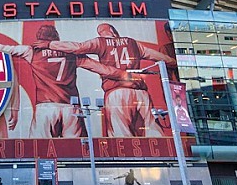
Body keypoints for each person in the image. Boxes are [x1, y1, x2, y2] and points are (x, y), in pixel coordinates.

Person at [0, 23, 128, 138]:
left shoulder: (31, 51)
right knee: (78, 153)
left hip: (44, 108)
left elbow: (7, 49)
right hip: (71, 108)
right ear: (57, 39)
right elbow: (102, 69)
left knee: (38, 153)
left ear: (39, 38)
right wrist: (125, 75)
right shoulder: (73, 55)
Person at [39, 23, 175, 137]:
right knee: (152, 128)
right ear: (114, 31)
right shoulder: (132, 43)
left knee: (120, 132)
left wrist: (50, 44)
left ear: (102, 33)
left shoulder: (100, 42)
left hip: (116, 91)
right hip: (140, 91)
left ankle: (128, 167)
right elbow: (161, 58)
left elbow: (77, 47)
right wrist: (178, 62)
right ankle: (172, 159)